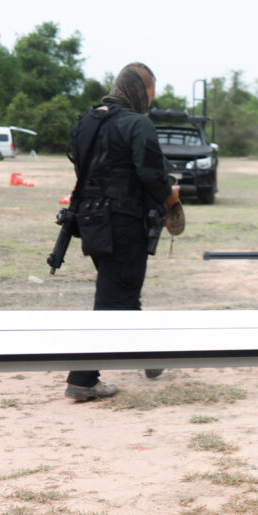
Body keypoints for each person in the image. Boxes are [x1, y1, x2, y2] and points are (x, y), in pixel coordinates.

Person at [63, 62, 180, 402]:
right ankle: (83, 379)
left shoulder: (86, 121)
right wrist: (170, 197)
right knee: (113, 300)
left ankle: (149, 358)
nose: (150, 102)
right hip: (123, 223)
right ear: (139, 91)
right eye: (150, 94)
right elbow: (152, 174)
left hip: (90, 220)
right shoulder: (137, 123)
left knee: (122, 290)